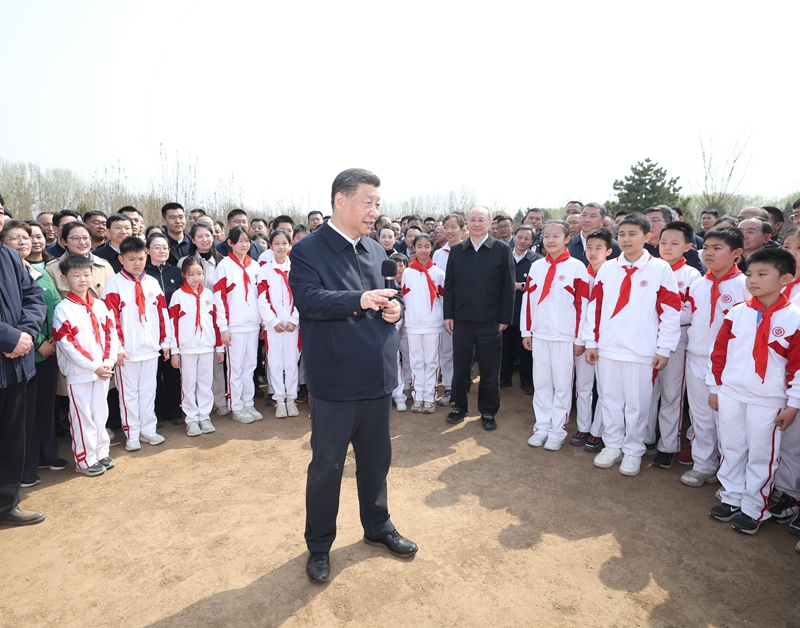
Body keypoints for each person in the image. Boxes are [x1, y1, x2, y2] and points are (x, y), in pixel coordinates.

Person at [289, 168, 417, 584]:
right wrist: (360, 299)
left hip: (377, 377)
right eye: (368, 202)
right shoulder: (308, 250)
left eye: (378, 203)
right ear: (341, 201)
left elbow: (392, 297)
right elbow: (309, 300)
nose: (375, 211)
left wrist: (395, 310)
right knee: (327, 468)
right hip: (336, 380)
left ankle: (377, 526)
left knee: (376, 461)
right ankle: (319, 545)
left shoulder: (377, 250)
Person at [708, 248, 800, 534]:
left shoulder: (794, 318)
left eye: (762, 274)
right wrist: (715, 387)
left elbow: (797, 366)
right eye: (749, 274)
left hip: (768, 400)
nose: (753, 280)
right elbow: (719, 353)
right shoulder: (737, 312)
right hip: (731, 393)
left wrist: (793, 404)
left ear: (785, 279)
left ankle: (754, 507)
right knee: (731, 448)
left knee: (762, 455)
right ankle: (732, 496)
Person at [582, 212, 681, 477]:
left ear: (647, 237)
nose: (626, 239)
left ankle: (633, 449)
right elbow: (594, 307)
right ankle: (612, 444)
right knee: (610, 400)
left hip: (641, 351)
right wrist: (591, 341)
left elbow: (671, 311)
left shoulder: (660, 268)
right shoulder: (608, 268)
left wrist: (664, 348)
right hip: (608, 348)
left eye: (632, 234)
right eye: (622, 234)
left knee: (637, 405)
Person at [679, 227, 748, 485]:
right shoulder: (698, 284)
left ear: (736, 253)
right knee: (700, 417)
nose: (709, 253)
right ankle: (704, 464)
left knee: (728, 422)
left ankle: (732, 476)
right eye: (706, 247)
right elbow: (688, 316)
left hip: (729, 365)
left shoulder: (745, 286)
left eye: (717, 248)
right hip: (696, 357)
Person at [0, 221, 66, 487]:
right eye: (15, 238)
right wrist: (32, 341)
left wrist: (32, 336)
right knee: (21, 421)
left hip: (34, 353)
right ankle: (27, 468)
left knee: (42, 411)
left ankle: (45, 456)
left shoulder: (36, 271)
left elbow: (43, 303)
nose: (23, 242)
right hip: (26, 351)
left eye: (26, 237)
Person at [444, 206, 515, 431]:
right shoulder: (457, 250)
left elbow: (508, 287)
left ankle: (488, 411)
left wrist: (505, 317)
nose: (476, 224)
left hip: (491, 321)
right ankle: (459, 407)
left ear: (489, 223)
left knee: (490, 369)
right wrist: (448, 314)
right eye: (472, 219)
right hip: (462, 320)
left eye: (481, 220)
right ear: (467, 223)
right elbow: (450, 285)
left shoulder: (502, 249)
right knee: (461, 367)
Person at [521, 220, 589, 450]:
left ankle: (557, 431)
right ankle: (541, 427)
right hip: (540, 335)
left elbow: (582, 306)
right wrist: (526, 331)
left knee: (562, 387)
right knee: (541, 384)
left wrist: (579, 338)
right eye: (547, 236)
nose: (550, 241)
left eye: (556, 236)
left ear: (567, 239)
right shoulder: (537, 267)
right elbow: (528, 301)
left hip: (565, 337)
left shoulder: (577, 267)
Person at [0, 206, 47, 527]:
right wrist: (8, 338)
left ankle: (6, 505)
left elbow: (33, 297)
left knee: (11, 440)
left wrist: (26, 334)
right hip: (9, 351)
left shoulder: (10, 256)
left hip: (17, 367)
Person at [103, 237, 172, 452]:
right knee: (128, 395)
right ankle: (132, 433)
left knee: (148, 392)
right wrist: (117, 348)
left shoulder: (152, 282)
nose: (137, 263)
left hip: (150, 349)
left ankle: (148, 429)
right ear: (121, 259)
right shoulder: (114, 283)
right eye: (131, 259)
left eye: (141, 259)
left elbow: (163, 314)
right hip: (127, 352)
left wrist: (165, 341)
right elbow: (110, 319)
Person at [53, 255, 119, 476]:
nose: (82, 279)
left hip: (102, 370)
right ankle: (84, 459)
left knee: (101, 412)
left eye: (86, 274)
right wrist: (93, 366)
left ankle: (101, 452)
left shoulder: (99, 305)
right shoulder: (63, 309)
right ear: (64, 278)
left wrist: (107, 362)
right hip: (79, 372)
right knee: (82, 416)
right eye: (76, 275)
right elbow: (67, 344)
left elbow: (111, 334)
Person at [646, 222, 701, 469]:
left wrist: (660, 316)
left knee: (671, 394)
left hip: (676, 342)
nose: (667, 248)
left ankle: (667, 446)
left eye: (674, 243)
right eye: (663, 242)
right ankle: (646, 438)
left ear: (687, 247)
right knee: (647, 392)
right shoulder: (649, 268)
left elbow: (690, 312)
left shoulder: (691, 275)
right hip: (646, 339)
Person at [178, 222, 230, 417]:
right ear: (192, 239)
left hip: (214, 314)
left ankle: (219, 401)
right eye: (199, 236)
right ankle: (195, 408)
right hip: (193, 319)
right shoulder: (185, 261)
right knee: (193, 373)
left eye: (208, 235)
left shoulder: (222, 261)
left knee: (215, 365)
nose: (205, 239)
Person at [168, 257, 223, 437]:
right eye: (191, 274)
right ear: (183, 274)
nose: (196, 278)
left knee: (206, 383)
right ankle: (191, 419)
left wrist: (219, 347)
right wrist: (175, 351)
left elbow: (216, 323)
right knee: (189, 384)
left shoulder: (209, 295)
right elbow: (172, 325)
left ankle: (204, 416)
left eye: (199, 273)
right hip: (187, 349)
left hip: (206, 347)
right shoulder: (178, 296)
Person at [213, 227, 263, 423]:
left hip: (253, 325)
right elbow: (219, 299)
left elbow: (261, 297)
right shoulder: (224, 266)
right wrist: (223, 328)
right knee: (235, 369)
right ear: (230, 243)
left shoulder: (255, 266)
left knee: (250, 366)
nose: (244, 244)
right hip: (234, 327)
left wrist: (262, 323)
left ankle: (248, 402)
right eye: (239, 241)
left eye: (247, 241)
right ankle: (237, 406)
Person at [770, 229, 800, 528]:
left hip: (796, 377)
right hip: (772, 376)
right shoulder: (773, 285)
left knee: (792, 440)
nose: (791, 252)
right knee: (777, 436)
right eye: (787, 246)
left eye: (798, 248)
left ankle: (790, 494)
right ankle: (775, 486)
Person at [573, 229, 613, 452]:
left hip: (607, 341)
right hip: (584, 340)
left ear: (609, 251)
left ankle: (598, 431)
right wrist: (581, 339)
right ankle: (583, 427)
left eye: (599, 248)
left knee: (606, 390)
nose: (593, 252)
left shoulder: (614, 274)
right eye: (589, 247)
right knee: (583, 386)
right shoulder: (581, 274)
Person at [257, 229, 300, 419]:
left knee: (291, 364)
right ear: (270, 246)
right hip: (272, 327)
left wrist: (294, 320)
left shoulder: (297, 269)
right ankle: (279, 400)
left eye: (284, 243)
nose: (281, 247)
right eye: (277, 243)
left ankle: (291, 399)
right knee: (274, 363)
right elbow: (262, 298)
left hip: (292, 326)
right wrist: (273, 321)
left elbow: (301, 296)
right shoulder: (264, 270)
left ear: (290, 245)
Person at [401, 232, 445, 413]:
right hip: (412, 325)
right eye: (419, 246)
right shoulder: (407, 273)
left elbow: (443, 299)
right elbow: (404, 298)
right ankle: (418, 396)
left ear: (432, 248)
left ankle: (430, 397)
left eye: (427, 246)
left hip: (433, 325)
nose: (423, 250)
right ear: (413, 248)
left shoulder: (438, 273)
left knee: (432, 362)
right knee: (416, 361)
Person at [145, 232, 183, 426]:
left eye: (165, 247)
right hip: (152, 330)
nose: (162, 251)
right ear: (147, 250)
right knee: (154, 373)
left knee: (173, 371)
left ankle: (173, 410)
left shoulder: (176, 272)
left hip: (174, 329)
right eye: (157, 247)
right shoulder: (143, 274)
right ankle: (157, 412)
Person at [500, 225, 542, 395]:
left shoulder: (537, 260)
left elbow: (539, 284)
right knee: (505, 347)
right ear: (514, 237)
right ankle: (504, 378)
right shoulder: (503, 256)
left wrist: (521, 286)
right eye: (520, 237)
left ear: (532, 241)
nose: (522, 241)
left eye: (527, 238)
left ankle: (526, 381)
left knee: (527, 350)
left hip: (528, 312)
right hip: (506, 310)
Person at [432, 213, 464, 405]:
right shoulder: (438, 254)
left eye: (454, 227)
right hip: (444, 308)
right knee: (446, 351)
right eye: (446, 227)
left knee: (462, 352)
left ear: (462, 229)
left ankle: (461, 389)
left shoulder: (468, 250)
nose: (450, 231)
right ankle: (449, 387)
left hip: (464, 309)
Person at [45, 221, 115, 298]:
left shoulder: (104, 266)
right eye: (76, 238)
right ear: (64, 241)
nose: (82, 242)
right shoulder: (52, 269)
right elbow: (52, 300)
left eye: (85, 238)